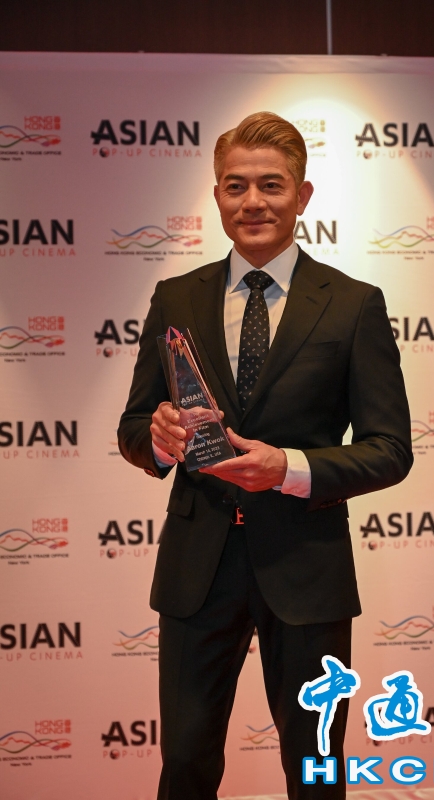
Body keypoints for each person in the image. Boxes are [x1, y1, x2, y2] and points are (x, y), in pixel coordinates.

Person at [118, 111, 413, 800]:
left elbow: (390, 450)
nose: (252, 201)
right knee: (185, 767)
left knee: (315, 770)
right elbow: (135, 426)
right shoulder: (175, 297)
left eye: (271, 185)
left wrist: (291, 469)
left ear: (302, 196)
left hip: (306, 570)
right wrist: (158, 438)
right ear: (217, 195)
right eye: (236, 186)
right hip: (197, 568)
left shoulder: (353, 305)